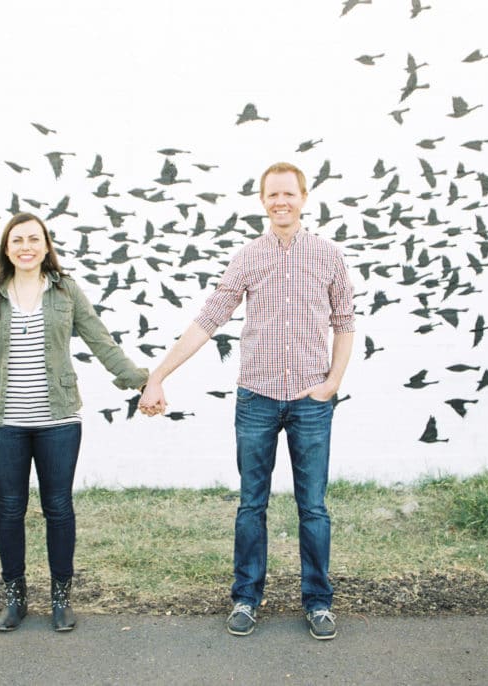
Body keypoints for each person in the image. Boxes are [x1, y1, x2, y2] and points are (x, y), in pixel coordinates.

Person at [139, 162, 356, 640]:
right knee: (250, 504)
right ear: (263, 201)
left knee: (313, 507)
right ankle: (245, 597)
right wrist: (158, 374)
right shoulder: (248, 257)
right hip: (256, 397)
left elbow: (345, 323)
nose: (281, 202)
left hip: (310, 401)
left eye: (288, 194)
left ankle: (318, 602)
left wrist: (332, 383)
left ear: (303, 197)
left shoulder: (328, 256)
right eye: (272, 195)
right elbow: (208, 319)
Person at [0, 212, 149, 632]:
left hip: (58, 419)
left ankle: (61, 597)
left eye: (34, 239)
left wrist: (141, 382)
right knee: (9, 509)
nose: (25, 247)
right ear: (7, 250)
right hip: (3, 421)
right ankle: (15, 597)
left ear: (46, 246)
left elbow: (100, 339)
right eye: (17, 241)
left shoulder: (66, 291)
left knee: (58, 507)